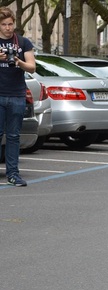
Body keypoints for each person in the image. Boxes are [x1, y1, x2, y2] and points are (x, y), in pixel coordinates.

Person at [0, 7, 36, 187]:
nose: (8, 28)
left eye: (10, 24)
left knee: (14, 136)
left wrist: (18, 61)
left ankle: (13, 174)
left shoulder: (23, 42)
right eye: (4, 24)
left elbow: (32, 67)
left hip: (16, 95)